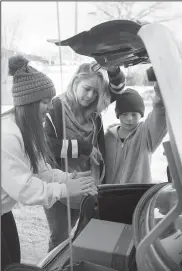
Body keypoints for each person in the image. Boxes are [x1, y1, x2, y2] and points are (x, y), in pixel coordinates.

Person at [1, 55, 97, 271]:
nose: (50, 106)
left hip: (3, 210)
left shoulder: (29, 130)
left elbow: (41, 171)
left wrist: (66, 177)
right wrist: (64, 189)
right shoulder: (7, 136)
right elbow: (24, 189)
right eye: (45, 101)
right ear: (28, 103)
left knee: (12, 260)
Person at [43, 62, 126, 251]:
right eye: (87, 89)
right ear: (75, 82)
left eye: (96, 92)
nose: (90, 96)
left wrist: (113, 69)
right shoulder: (56, 107)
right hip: (58, 182)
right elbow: (49, 148)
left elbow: (118, 90)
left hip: (86, 183)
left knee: (78, 232)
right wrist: (84, 147)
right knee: (60, 237)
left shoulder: (94, 111)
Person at [104, 83, 167, 184]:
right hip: (111, 194)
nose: (129, 119)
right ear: (118, 114)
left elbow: (161, 111)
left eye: (134, 114)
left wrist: (160, 82)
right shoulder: (106, 138)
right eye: (124, 114)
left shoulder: (146, 134)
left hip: (138, 194)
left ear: (141, 115)